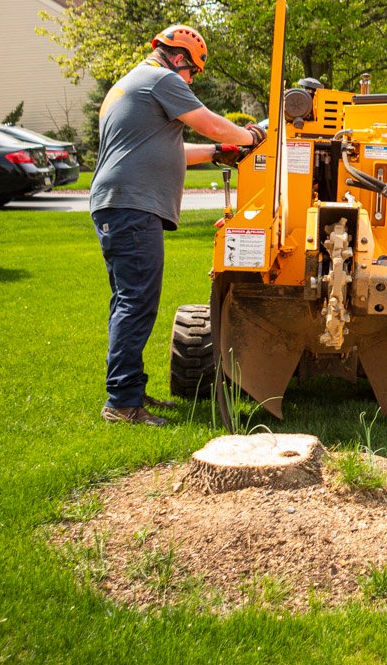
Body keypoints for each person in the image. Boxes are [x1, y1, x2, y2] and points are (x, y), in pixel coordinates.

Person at [90, 24, 260, 426]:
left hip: (118, 204)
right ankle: (122, 404)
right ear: (180, 58)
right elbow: (211, 123)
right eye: (193, 73)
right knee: (136, 303)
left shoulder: (130, 84)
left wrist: (221, 153)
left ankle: (128, 391)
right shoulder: (161, 78)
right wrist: (251, 136)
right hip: (132, 206)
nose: (191, 81)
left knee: (128, 302)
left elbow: (172, 149)